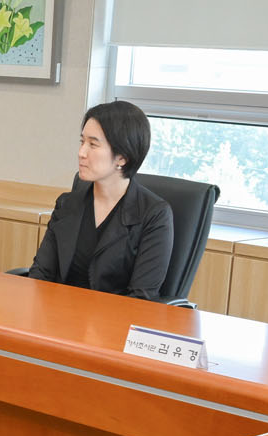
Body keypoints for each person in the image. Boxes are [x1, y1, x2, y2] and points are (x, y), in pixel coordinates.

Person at [24, 100, 174, 299]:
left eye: (93, 144)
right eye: (82, 142)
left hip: (116, 317)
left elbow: (141, 298)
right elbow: (40, 275)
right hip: (58, 312)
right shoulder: (67, 204)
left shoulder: (153, 215)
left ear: (122, 157)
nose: (81, 153)